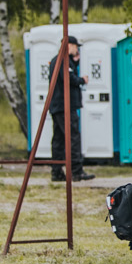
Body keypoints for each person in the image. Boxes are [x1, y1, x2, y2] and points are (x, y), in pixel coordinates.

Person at [46, 37, 86, 183]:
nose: (77, 49)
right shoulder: (64, 61)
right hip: (65, 106)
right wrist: (82, 80)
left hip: (57, 106)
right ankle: (76, 171)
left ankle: (56, 171)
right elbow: (69, 79)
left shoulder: (57, 60)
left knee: (58, 140)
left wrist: (75, 62)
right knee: (73, 137)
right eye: (76, 46)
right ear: (69, 46)